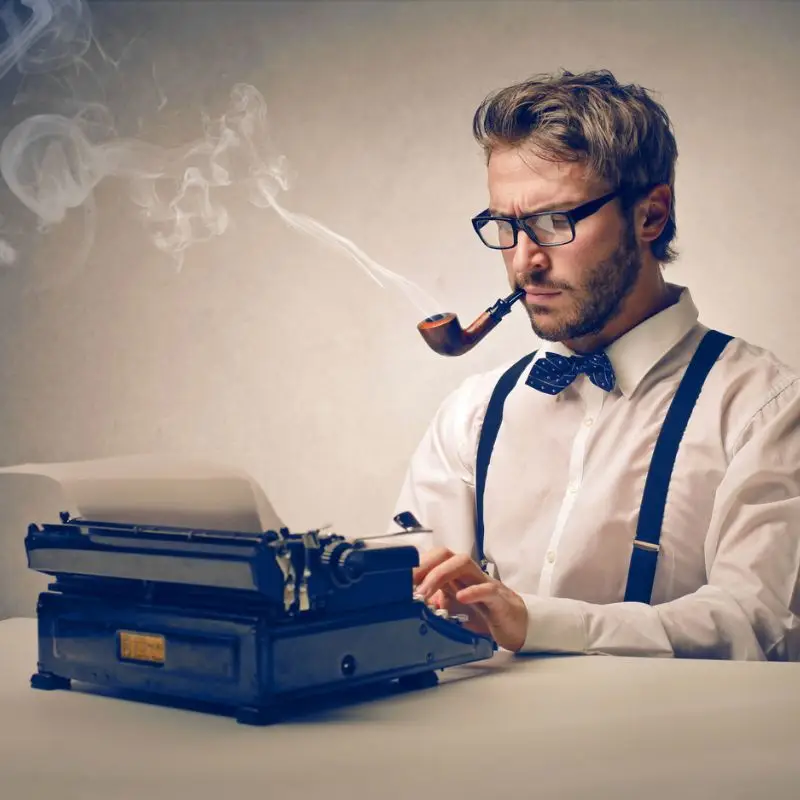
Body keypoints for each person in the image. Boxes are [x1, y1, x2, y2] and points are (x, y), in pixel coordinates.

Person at [390, 69, 800, 661]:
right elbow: (415, 614)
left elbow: (758, 625)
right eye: (504, 226)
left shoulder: (766, 409)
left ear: (651, 215)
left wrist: (538, 622)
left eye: (555, 222)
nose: (523, 262)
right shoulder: (472, 415)